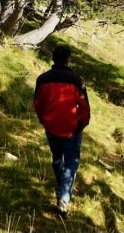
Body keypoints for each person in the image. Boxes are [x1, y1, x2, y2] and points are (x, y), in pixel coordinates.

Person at [33, 45, 90, 216]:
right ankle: (63, 198)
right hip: (72, 128)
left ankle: (61, 189)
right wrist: (81, 124)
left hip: (51, 127)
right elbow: (85, 107)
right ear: (68, 59)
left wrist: (44, 120)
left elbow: (37, 103)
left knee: (57, 159)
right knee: (71, 162)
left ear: (53, 59)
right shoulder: (76, 80)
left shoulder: (42, 79)